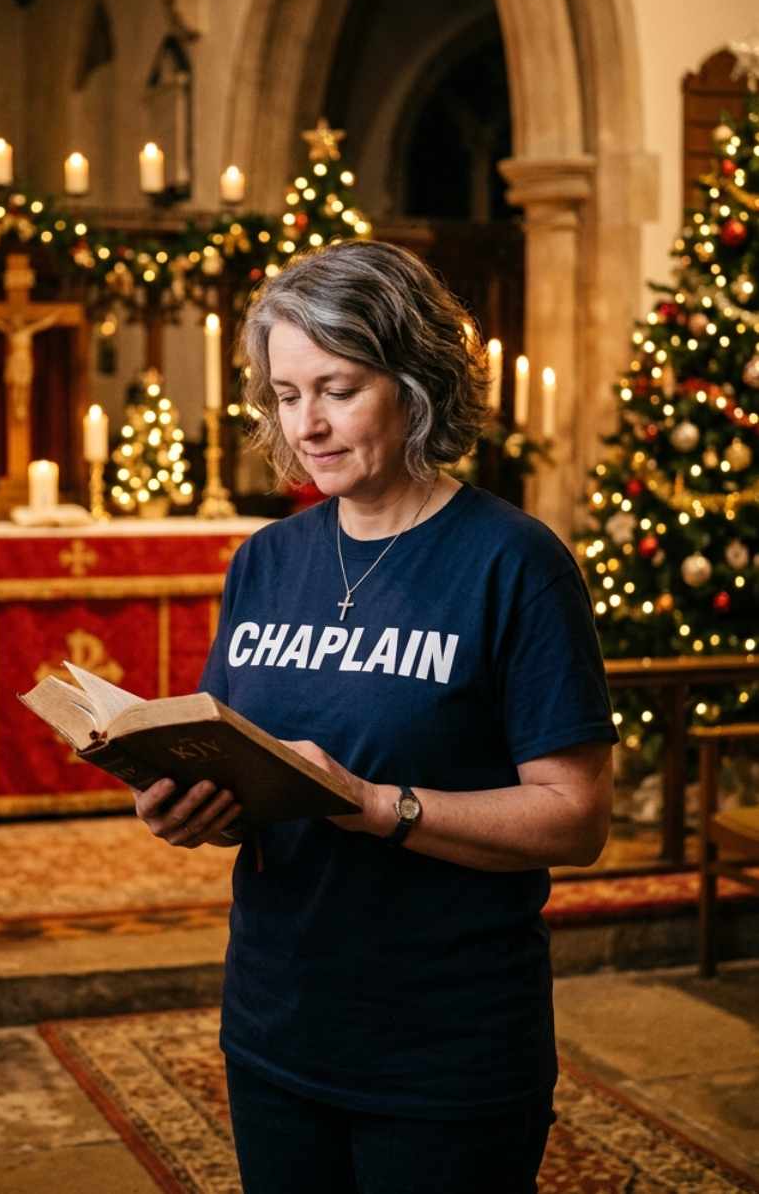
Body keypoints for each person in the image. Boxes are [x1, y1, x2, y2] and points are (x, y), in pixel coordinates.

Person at [134, 241, 616, 1193]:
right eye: (284, 394)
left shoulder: (513, 563)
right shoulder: (265, 562)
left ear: (416, 384)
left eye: (337, 389)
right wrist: (189, 803)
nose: (305, 425)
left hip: (444, 1045)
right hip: (276, 1021)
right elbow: (240, 754)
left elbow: (577, 816)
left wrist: (375, 803)